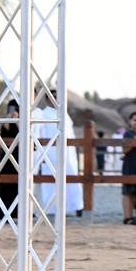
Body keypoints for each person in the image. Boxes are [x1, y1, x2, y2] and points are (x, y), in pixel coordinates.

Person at [33, 90, 83, 218]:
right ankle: (52, 209)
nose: (56, 99)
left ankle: (76, 206)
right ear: (48, 99)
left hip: (68, 153)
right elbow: (40, 134)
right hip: (50, 153)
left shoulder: (65, 114)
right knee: (51, 181)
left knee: (72, 177)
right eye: (53, 97)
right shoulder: (43, 115)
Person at [0, 99, 20, 221]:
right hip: (6, 155)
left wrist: (17, 120)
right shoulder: (5, 120)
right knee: (3, 183)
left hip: (19, 156)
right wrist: (8, 118)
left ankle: (16, 212)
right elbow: (2, 132)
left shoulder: (22, 121)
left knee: (17, 184)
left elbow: (24, 133)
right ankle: (1, 212)